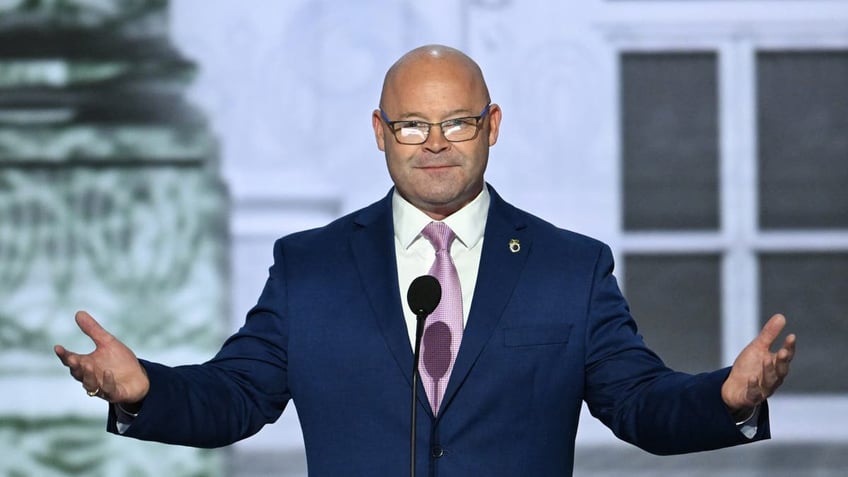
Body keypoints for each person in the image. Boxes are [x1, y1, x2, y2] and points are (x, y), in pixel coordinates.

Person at [55, 44, 796, 477]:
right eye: (412, 124)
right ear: (380, 132)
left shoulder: (568, 268)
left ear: (491, 126)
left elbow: (640, 405)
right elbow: (237, 396)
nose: (435, 142)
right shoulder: (309, 267)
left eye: (457, 122)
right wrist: (144, 389)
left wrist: (726, 399)